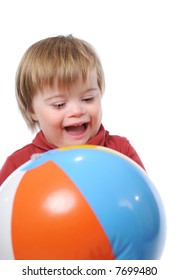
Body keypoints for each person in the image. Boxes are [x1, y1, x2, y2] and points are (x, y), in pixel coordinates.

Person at [0, 35, 145, 186]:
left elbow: (146, 202)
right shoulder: (19, 167)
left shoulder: (121, 152)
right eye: (59, 104)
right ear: (32, 111)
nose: (77, 111)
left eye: (88, 99)